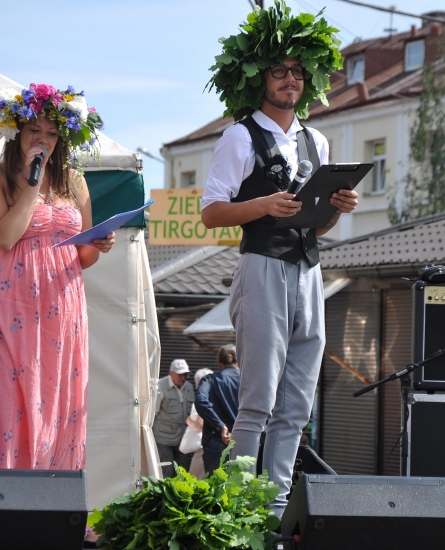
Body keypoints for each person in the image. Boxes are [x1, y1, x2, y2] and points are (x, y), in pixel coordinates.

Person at [201, 1, 352, 517]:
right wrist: (261, 205)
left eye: (297, 72)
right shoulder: (239, 134)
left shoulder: (318, 139)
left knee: (298, 404)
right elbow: (210, 213)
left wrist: (335, 209)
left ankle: (276, 503)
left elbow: (318, 224)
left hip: (310, 269)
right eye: (279, 70)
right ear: (260, 78)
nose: (290, 79)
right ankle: (241, 506)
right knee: (259, 399)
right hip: (261, 265)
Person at [0, 84, 114, 471]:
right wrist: (32, 186)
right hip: (10, 300)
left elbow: (81, 257)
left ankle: (54, 508)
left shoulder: (74, 180)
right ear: (17, 132)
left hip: (62, 306)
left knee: (60, 401)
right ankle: (4, 510)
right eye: (35, 130)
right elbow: (4, 236)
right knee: (8, 402)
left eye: (52, 133)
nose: (44, 140)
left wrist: (98, 245)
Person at [195, 344, 241, 474]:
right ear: (238, 362)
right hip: (244, 442)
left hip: (216, 442)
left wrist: (220, 426)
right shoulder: (248, 381)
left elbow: (200, 401)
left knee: (216, 489)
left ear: (219, 363)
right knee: (243, 489)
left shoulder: (209, 380)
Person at [153, 359, 195, 477]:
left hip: (182, 439)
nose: (183, 378)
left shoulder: (189, 387)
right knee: (167, 471)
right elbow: (153, 413)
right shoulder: (160, 386)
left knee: (182, 471)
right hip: (163, 438)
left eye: (185, 375)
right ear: (171, 373)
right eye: (180, 374)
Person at [186, 367, 214, 479]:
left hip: (203, 447)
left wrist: (189, 420)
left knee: (194, 479)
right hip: (216, 444)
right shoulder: (218, 397)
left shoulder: (202, 400)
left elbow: (200, 424)